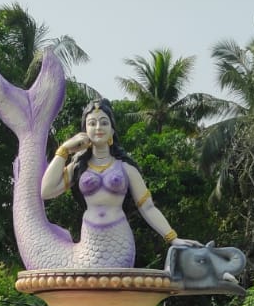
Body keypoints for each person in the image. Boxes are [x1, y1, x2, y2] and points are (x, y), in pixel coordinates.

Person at [39, 97, 198, 268]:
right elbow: (46, 191)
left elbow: (147, 207)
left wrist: (172, 238)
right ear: (85, 130)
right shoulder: (79, 167)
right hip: (90, 243)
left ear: (112, 129)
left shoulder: (125, 168)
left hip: (119, 240)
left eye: (104, 123)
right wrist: (64, 150)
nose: (98, 128)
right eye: (92, 123)